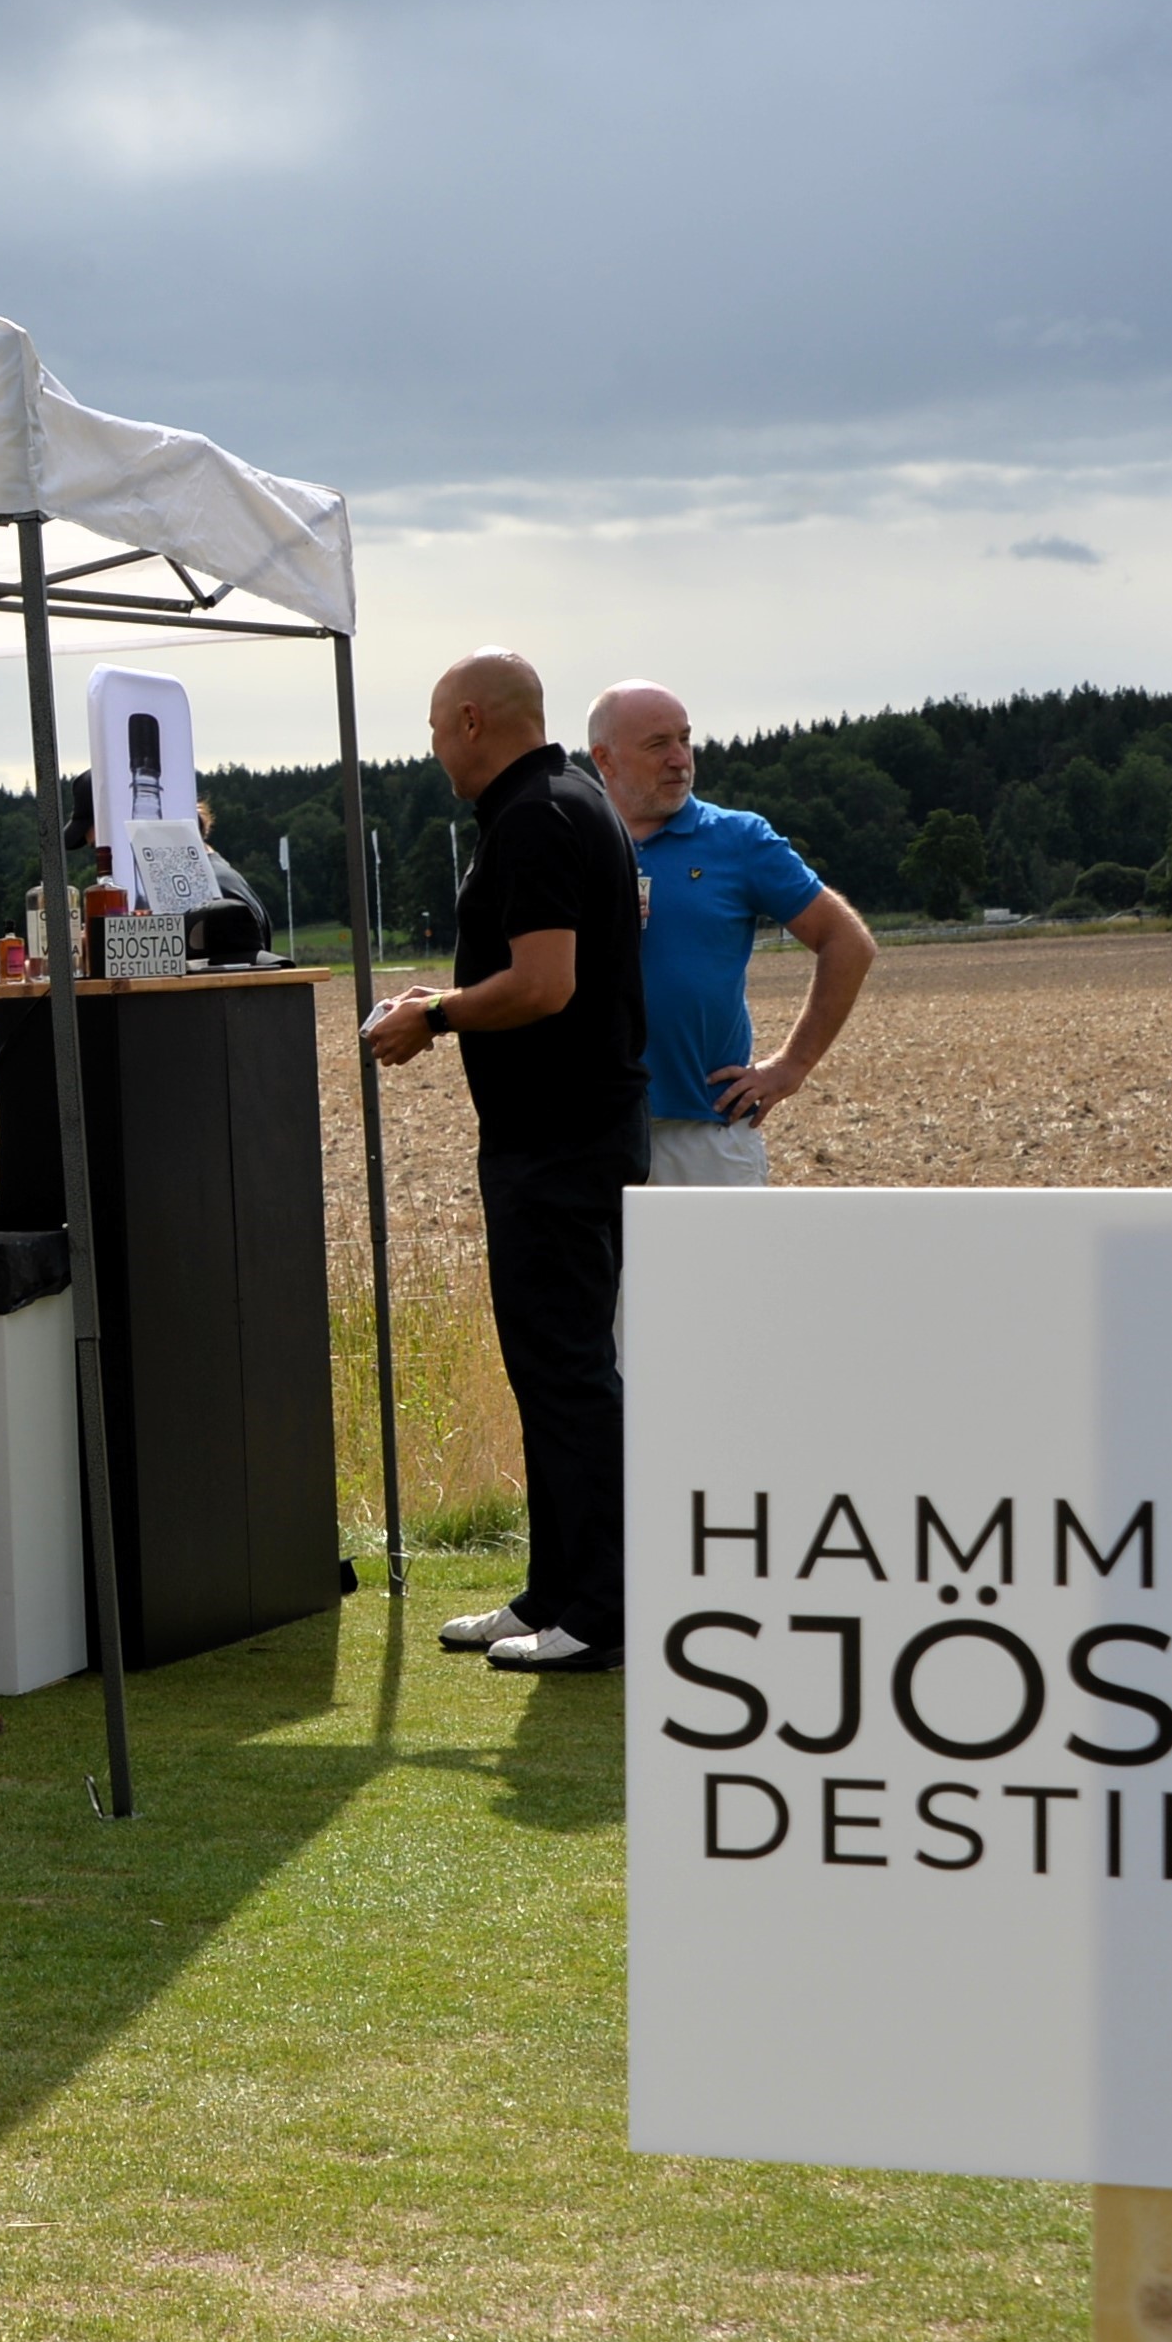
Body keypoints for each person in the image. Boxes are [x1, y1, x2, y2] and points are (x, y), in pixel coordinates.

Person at [363, 649, 645, 1675]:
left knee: (567, 1372)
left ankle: (601, 1610)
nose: (436, 749)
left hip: (559, 1143)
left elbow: (543, 983)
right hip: (576, 1132)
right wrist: (441, 1001)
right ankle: (554, 1591)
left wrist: (433, 1014)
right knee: (549, 1366)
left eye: (439, 729)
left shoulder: (534, 817)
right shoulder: (572, 798)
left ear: (474, 721)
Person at [583, 681, 874, 1186]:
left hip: (708, 1137)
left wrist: (791, 1065)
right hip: (590, 1134)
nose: (680, 759)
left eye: (685, 739)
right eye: (658, 745)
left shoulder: (739, 839)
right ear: (604, 759)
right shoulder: (574, 842)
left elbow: (848, 942)